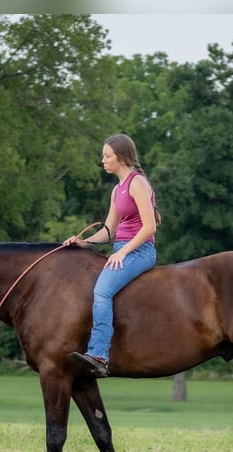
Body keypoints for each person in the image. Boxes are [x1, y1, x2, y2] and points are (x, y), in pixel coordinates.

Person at [63, 134, 158, 378]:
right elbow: (107, 231)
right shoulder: (117, 190)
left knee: (102, 291)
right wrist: (82, 242)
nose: (103, 160)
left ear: (121, 156)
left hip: (141, 250)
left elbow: (149, 227)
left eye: (107, 155)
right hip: (121, 249)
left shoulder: (138, 183)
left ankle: (99, 355)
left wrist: (124, 251)